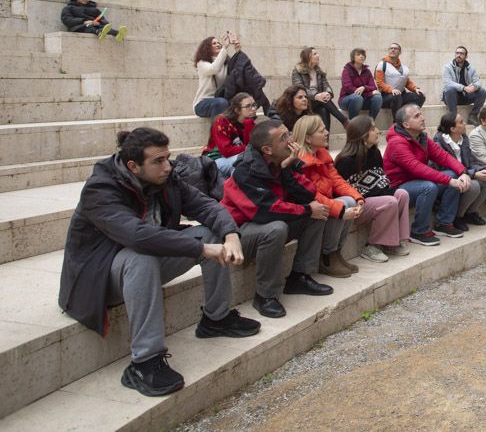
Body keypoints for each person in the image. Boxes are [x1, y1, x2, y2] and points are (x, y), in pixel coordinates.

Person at [58, 128, 259, 398]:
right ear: (133, 166)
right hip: (99, 277)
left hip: (145, 265)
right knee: (142, 256)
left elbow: (206, 205)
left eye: (167, 158)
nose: (168, 166)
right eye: (158, 161)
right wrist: (200, 248)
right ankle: (144, 361)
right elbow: (136, 236)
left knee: (212, 234)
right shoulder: (101, 189)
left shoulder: (165, 178)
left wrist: (230, 234)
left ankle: (217, 318)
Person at [221, 119, 334, 319]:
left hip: (266, 222)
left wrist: (288, 168)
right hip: (238, 235)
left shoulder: (280, 164)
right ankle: (265, 295)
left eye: (288, 133)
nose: (291, 141)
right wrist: (306, 209)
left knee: (318, 213)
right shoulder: (245, 172)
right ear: (267, 149)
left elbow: (309, 193)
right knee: (277, 227)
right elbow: (266, 211)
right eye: (284, 138)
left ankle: (299, 276)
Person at [383, 103, 470, 245]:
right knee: (429, 187)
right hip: (399, 187)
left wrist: (463, 172)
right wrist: (448, 181)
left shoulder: (421, 137)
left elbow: (443, 156)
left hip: (418, 181)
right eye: (417, 116)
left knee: (453, 174)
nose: (422, 118)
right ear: (406, 124)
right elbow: (416, 168)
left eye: (421, 114)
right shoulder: (397, 142)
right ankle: (419, 231)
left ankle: (444, 223)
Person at [291, 116, 365, 273]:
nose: (327, 132)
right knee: (342, 205)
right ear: (308, 137)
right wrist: (340, 210)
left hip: (323, 203)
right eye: (321, 130)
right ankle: (327, 255)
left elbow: (337, 180)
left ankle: (336, 252)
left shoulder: (321, 153)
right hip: (307, 210)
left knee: (349, 200)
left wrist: (358, 197)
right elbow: (312, 196)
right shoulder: (299, 162)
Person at [334, 115, 412, 258]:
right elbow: (344, 193)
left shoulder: (375, 153)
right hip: (357, 207)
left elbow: (381, 184)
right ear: (362, 134)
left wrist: (388, 192)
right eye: (373, 128)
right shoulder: (346, 160)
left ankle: (394, 241)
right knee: (390, 201)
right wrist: (383, 195)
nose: (378, 131)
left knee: (402, 194)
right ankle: (372, 246)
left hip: (374, 200)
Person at [192, 32, 274, 119]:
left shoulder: (225, 63)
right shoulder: (202, 63)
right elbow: (214, 68)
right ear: (207, 47)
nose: (218, 45)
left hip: (221, 100)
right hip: (203, 104)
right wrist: (224, 48)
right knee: (223, 103)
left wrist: (237, 50)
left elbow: (239, 68)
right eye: (214, 43)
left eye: (218, 43)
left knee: (243, 104)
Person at [433, 113, 486, 228]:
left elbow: (471, 161)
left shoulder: (464, 139)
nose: (464, 123)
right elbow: (446, 169)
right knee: (474, 185)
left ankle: (470, 212)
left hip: (464, 174)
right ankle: (457, 216)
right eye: (461, 122)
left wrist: (480, 170)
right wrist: (474, 174)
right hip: (448, 179)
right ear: (452, 129)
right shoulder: (439, 143)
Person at [291, 47, 350, 131]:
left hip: (319, 103)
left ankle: (325, 139)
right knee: (323, 100)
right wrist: (315, 96)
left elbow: (327, 86)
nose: (318, 55)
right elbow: (299, 89)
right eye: (315, 54)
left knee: (324, 110)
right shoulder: (297, 71)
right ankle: (344, 121)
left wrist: (328, 93)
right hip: (305, 102)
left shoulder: (318, 71)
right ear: (308, 57)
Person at [202, 92, 257, 177]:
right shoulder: (221, 121)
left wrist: (248, 124)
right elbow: (227, 151)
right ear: (237, 110)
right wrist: (250, 149)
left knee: (249, 161)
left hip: (236, 157)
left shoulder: (249, 123)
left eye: (254, 105)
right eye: (248, 106)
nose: (253, 109)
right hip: (215, 160)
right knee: (245, 160)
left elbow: (251, 144)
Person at [60, 0, 127, 41]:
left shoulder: (94, 9)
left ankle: (118, 34)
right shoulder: (69, 8)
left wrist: (99, 22)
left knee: (106, 28)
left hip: (96, 25)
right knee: (89, 27)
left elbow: (102, 18)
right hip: (80, 27)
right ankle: (99, 32)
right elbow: (67, 19)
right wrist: (83, 21)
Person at [441, 45, 486, 125]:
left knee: (482, 92)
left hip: (465, 96)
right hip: (451, 97)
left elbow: (478, 82)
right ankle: (453, 117)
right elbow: (447, 82)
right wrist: (463, 88)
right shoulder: (447, 67)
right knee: (449, 89)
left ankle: (473, 116)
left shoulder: (470, 68)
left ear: (466, 56)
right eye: (457, 53)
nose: (458, 55)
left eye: (461, 53)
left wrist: (474, 87)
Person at [375, 43, 425, 115]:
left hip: (401, 95)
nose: (393, 50)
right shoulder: (382, 65)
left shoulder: (404, 67)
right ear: (388, 51)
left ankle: (412, 116)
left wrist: (415, 88)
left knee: (420, 95)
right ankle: (397, 122)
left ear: (400, 52)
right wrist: (391, 90)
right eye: (391, 48)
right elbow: (379, 83)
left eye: (395, 48)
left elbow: (407, 82)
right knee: (396, 96)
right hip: (386, 96)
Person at [339, 47, 383, 120]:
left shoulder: (367, 71)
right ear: (353, 57)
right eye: (358, 54)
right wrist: (369, 93)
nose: (361, 56)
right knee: (357, 97)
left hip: (362, 100)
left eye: (363, 55)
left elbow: (373, 87)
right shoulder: (347, 70)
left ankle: (370, 123)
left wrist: (364, 87)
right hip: (346, 100)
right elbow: (348, 87)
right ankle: (354, 125)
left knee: (378, 97)